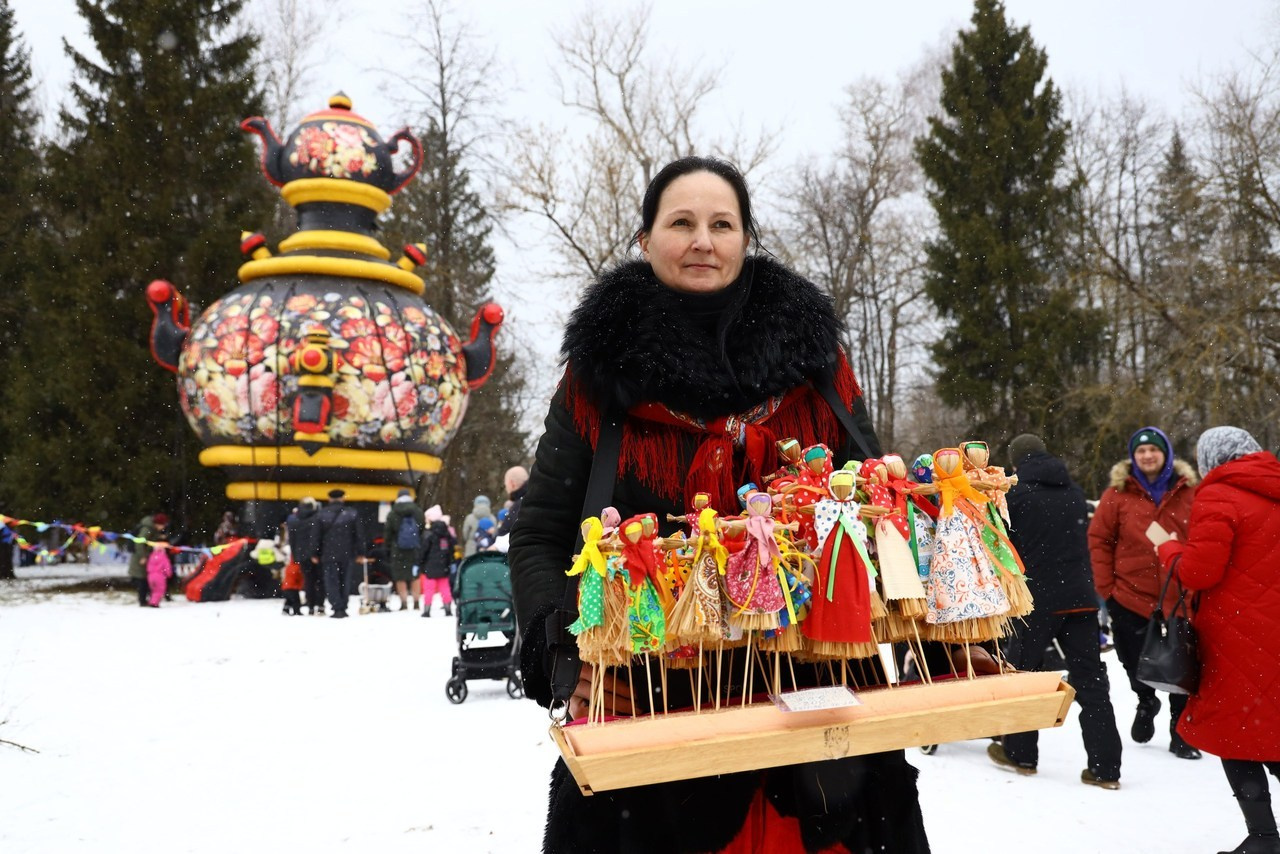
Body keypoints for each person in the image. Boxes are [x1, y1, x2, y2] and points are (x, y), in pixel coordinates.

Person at [509, 156, 927, 853]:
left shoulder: (816, 371)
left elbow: (867, 513)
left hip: (816, 707)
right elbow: (543, 533)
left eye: (721, 224)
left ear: (744, 239)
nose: (702, 240)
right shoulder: (597, 382)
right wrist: (562, 653)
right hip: (650, 704)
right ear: (646, 242)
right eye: (681, 222)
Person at [1155, 427, 1280, 854]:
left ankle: (1263, 837)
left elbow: (1199, 573)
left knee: (1237, 733)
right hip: (1273, 632)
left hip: (1237, 635)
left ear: (1211, 460)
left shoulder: (1219, 494)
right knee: (1272, 730)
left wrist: (1170, 551)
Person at [988, 434, 1123, 789]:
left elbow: (1004, 544)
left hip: (1037, 600)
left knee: (1024, 676)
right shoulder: (1074, 492)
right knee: (1091, 680)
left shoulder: (1015, 496)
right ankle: (1106, 768)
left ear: (1016, 463)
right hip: (1081, 595)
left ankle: (1021, 754)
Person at [1088, 425, 1201, 759]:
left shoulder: (1189, 492)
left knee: (1183, 663)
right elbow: (1099, 540)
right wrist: (1107, 590)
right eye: (1141, 451)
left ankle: (1180, 730)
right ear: (1133, 457)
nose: (1148, 456)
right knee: (1134, 660)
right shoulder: (1118, 494)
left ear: (1165, 453)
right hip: (1129, 596)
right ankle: (1145, 701)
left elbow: (1203, 539)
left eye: (1153, 450)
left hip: (1181, 596)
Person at [316, 489, 366, 619]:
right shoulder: (352, 513)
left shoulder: (321, 514)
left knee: (331, 580)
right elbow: (359, 535)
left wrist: (314, 552)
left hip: (328, 553)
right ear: (343, 498)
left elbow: (316, 536)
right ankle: (343, 605)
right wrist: (361, 552)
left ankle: (336, 606)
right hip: (347, 552)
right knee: (345, 580)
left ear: (329, 499)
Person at [384, 488, 425, 611]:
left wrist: (388, 547)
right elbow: (422, 529)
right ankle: (416, 601)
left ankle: (404, 602)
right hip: (414, 547)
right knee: (415, 574)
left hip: (398, 548)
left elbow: (388, 533)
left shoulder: (393, 512)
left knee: (400, 576)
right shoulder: (417, 511)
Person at [285, 497, 324, 615]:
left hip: (302, 555)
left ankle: (311, 605)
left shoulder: (293, 519)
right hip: (318, 555)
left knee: (308, 581)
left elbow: (292, 539)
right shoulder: (318, 518)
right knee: (320, 581)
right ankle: (320, 605)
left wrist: (296, 555)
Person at [420, 504, 456, 617]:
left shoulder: (428, 534)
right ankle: (448, 609)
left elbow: (423, 551)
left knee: (429, 589)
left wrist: (420, 563)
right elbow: (451, 550)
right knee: (445, 588)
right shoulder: (446, 533)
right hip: (444, 565)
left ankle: (427, 610)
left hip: (430, 567)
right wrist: (451, 562)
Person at [127, 512, 168, 607]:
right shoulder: (147, 529)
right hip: (140, 557)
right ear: (158, 524)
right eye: (163, 525)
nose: (163, 528)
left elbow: (148, 540)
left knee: (146, 579)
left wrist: (158, 537)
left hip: (145, 556)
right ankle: (142, 601)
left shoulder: (151, 528)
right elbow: (140, 542)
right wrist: (143, 556)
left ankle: (147, 600)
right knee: (142, 580)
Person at [497, 466, 529, 536]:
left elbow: (506, 535)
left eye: (506, 485)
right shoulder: (536, 497)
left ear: (512, 483)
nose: (506, 489)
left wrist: (497, 545)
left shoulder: (519, 506)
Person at [144, 540, 173, 608]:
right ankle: (154, 603)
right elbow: (167, 566)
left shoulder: (152, 556)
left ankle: (152, 601)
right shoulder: (163, 557)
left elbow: (148, 566)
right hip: (159, 575)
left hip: (150, 575)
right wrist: (169, 574)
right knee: (160, 590)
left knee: (154, 590)